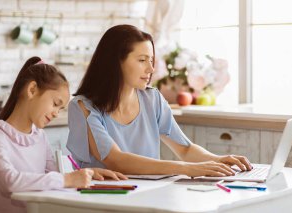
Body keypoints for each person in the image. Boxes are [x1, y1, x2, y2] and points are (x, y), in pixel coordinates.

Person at [67, 24, 252, 177]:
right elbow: (116, 160)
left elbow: (185, 150)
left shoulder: (152, 98)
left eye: (151, 60)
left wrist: (217, 160)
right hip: (103, 198)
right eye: (142, 60)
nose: (151, 69)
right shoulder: (83, 107)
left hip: (147, 194)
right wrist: (185, 169)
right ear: (116, 62)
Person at [0, 56, 126, 213]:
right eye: (56, 104)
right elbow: (9, 181)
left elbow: (55, 176)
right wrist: (67, 179)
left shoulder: (40, 136)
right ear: (32, 90)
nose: (56, 113)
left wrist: (86, 173)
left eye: (60, 109)